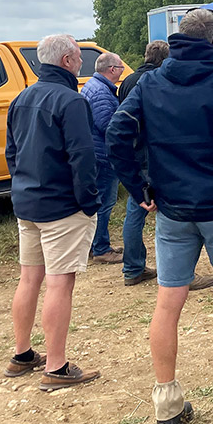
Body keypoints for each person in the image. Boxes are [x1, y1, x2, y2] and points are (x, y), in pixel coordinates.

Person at [107, 9, 213, 424]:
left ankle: (167, 408)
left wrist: (139, 189)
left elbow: (117, 133)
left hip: (172, 208)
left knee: (167, 302)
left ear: (177, 40)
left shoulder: (151, 81)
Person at [5, 34, 101, 388]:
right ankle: (56, 367)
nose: (81, 63)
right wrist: (88, 200)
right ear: (66, 61)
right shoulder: (71, 101)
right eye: (78, 57)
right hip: (62, 206)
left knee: (29, 278)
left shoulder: (21, 98)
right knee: (60, 282)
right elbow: (82, 156)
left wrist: (22, 184)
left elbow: (11, 153)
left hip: (27, 201)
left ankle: (22, 353)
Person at [118, 40, 208, 287]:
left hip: (134, 155)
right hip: (156, 155)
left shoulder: (127, 81)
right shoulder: (159, 82)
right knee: (171, 215)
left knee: (135, 211)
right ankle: (182, 274)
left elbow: (120, 123)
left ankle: (132, 268)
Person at [82, 52, 126, 265]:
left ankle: (96, 244)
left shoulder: (93, 85)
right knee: (104, 203)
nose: (121, 72)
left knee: (98, 202)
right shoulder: (101, 92)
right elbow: (108, 126)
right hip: (104, 155)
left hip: (95, 152)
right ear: (112, 70)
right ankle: (101, 248)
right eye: (121, 69)